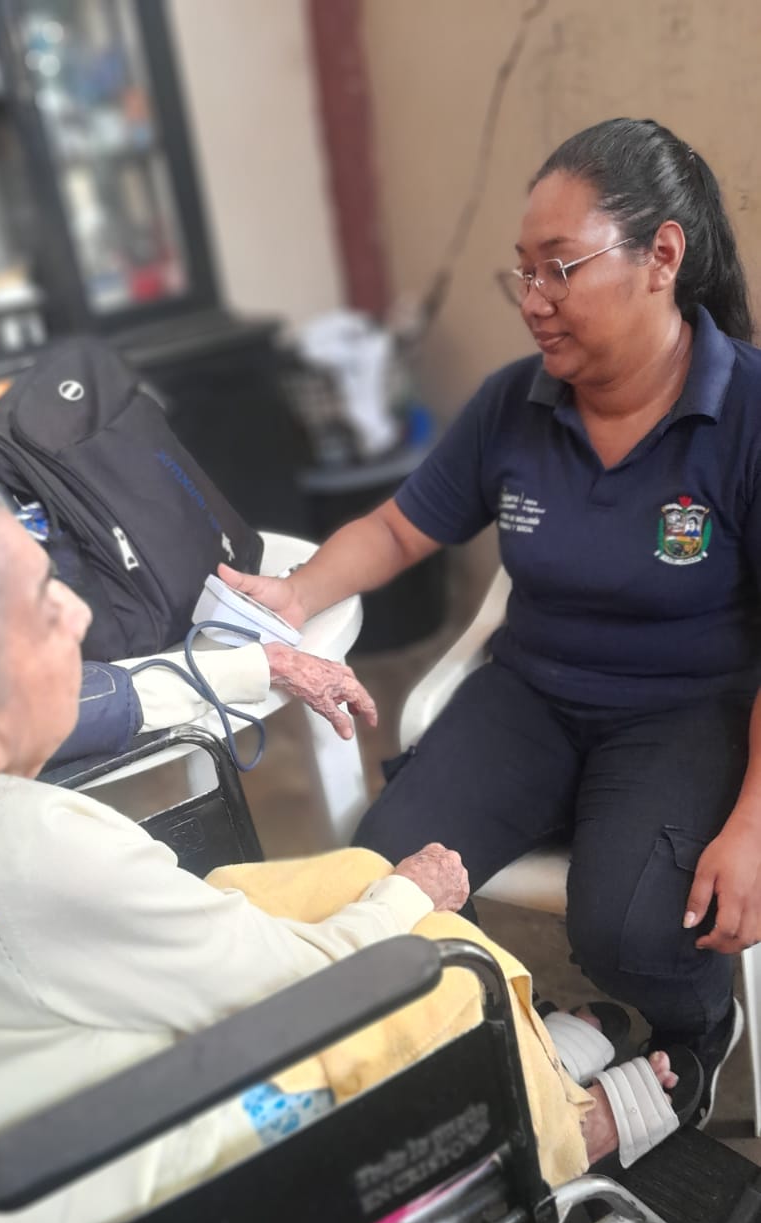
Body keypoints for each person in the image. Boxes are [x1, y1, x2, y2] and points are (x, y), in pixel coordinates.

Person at [0, 472, 695, 1223]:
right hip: (99, 1171)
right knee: (441, 964)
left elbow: (103, 701)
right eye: (43, 612)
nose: (78, 613)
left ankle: (528, 1065)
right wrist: (412, 896)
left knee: (327, 879)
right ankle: (560, 1132)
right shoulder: (29, 850)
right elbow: (298, 985)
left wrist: (264, 665)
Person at [219, 116, 761, 1126]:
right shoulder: (517, 402)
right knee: (385, 877)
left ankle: (695, 1031)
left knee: (631, 930)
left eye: (560, 268)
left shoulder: (748, 414)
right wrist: (299, 593)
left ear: (662, 257)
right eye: (524, 272)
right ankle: (520, 1029)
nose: (534, 300)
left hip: (687, 711)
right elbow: (399, 527)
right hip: (532, 697)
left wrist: (755, 822)